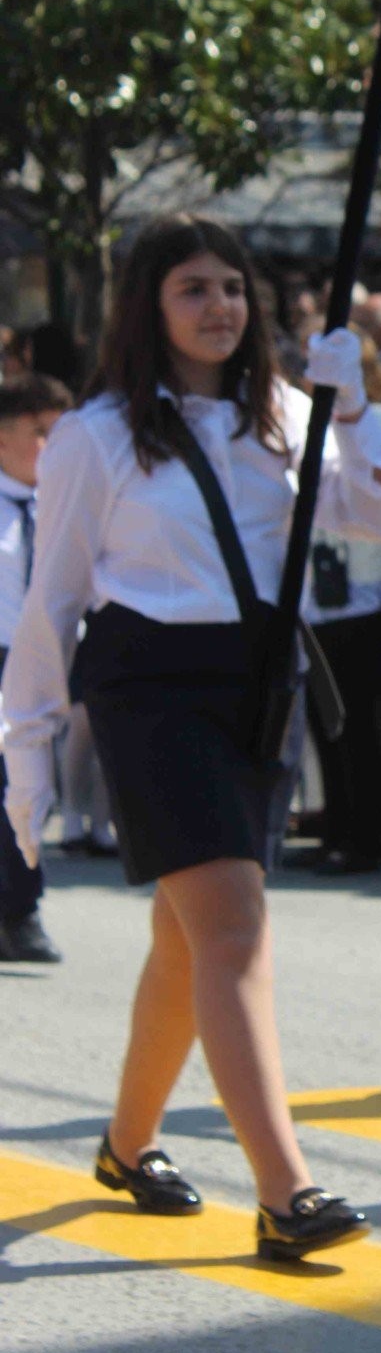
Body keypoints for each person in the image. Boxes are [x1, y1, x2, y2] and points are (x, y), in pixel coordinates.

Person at [1, 215, 381, 1261]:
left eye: (234, 285)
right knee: (233, 923)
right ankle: (286, 1191)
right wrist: (27, 746)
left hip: (257, 684)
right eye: (193, 287)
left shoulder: (283, 409)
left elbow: (373, 518)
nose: (220, 305)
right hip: (150, 686)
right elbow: (53, 599)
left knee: (186, 942)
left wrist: (349, 402)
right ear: (150, 304)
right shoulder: (95, 434)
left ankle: (128, 1147)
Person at [304, 333, 381, 874]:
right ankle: (336, 829)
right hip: (317, 600)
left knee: (361, 724)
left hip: (365, 597)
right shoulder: (306, 422)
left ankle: (366, 834)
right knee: (327, 722)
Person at [0, 374, 74, 962]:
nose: (54, 447)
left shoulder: (67, 503)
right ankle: (21, 913)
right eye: (40, 433)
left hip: (46, 659)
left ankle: (18, 906)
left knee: (31, 788)